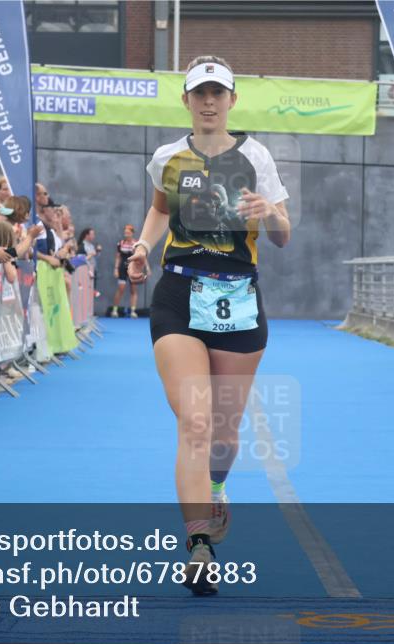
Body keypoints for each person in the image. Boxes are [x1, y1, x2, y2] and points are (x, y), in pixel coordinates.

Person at [127, 56, 291, 595]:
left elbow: (284, 235)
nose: (209, 102)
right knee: (194, 423)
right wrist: (142, 249)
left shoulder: (256, 155)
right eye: (200, 93)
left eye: (218, 93)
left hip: (239, 297)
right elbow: (157, 208)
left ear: (232, 101)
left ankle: (217, 485)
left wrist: (270, 212)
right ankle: (199, 544)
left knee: (223, 430)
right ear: (187, 101)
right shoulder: (167, 157)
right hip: (178, 292)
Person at [111, 224, 140, 318]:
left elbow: (140, 256)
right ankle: (115, 310)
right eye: (125, 233)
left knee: (133, 289)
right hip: (122, 268)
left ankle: (133, 311)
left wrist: (146, 268)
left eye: (128, 233)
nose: (126, 234)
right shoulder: (121, 243)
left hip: (133, 268)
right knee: (121, 288)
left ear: (132, 233)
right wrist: (116, 269)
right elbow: (118, 256)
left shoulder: (136, 243)